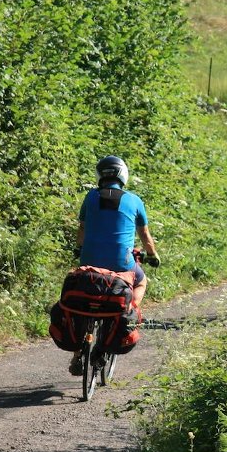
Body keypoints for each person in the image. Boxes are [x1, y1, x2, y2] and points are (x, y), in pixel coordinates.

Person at [69, 154, 160, 375]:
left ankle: (77, 353)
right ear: (123, 175)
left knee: (84, 294)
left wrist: (79, 248)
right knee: (141, 281)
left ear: (100, 175)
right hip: (122, 263)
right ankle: (128, 310)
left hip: (89, 260)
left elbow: (82, 228)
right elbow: (145, 235)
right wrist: (153, 255)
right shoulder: (134, 200)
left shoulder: (90, 197)